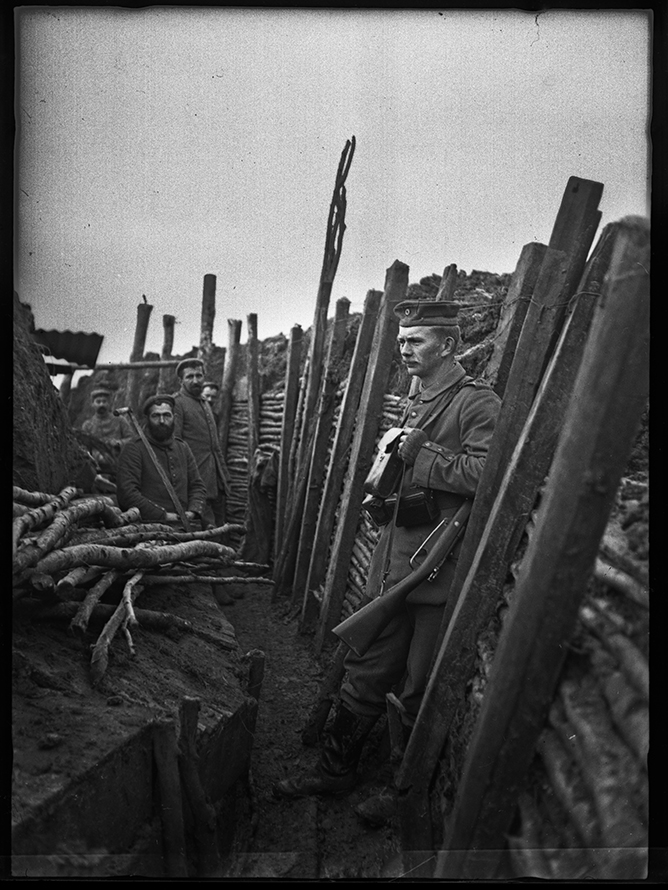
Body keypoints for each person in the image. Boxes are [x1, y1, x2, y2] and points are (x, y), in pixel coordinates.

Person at [273, 299, 502, 825]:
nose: (404, 350)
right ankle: (335, 770)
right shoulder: (417, 398)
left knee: (421, 684)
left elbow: (485, 475)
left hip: (438, 566)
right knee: (368, 667)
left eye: (415, 340)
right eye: (401, 340)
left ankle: (406, 797)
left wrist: (421, 454)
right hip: (397, 561)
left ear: (447, 344)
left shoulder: (476, 402)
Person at [116, 394, 207, 526]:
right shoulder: (134, 448)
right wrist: (163, 515)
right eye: (156, 416)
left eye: (166, 415)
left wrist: (192, 511)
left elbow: (197, 486)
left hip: (184, 525)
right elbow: (127, 493)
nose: (162, 421)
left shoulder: (182, 447)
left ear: (174, 418)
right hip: (148, 527)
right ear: (147, 419)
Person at [172, 359, 230, 530]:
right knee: (204, 528)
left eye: (199, 375)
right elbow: (175, 444)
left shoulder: (204, 403)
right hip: (194, 480)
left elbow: (214, 443)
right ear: (180, 381)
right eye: (190, 376)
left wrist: (224, 475)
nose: (196, 380)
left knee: (219, 525)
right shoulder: (177, 403)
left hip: (214, 478)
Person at [80, 386, 133, 476]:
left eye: (104, 402)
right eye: (98, 402)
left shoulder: (120, 420)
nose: (101, 405)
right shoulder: (87, 425)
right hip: (97, 470)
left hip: (119, 467)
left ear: (109, 403)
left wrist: (118, 443)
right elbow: (84, 449)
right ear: (92, 404)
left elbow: (132, 439)